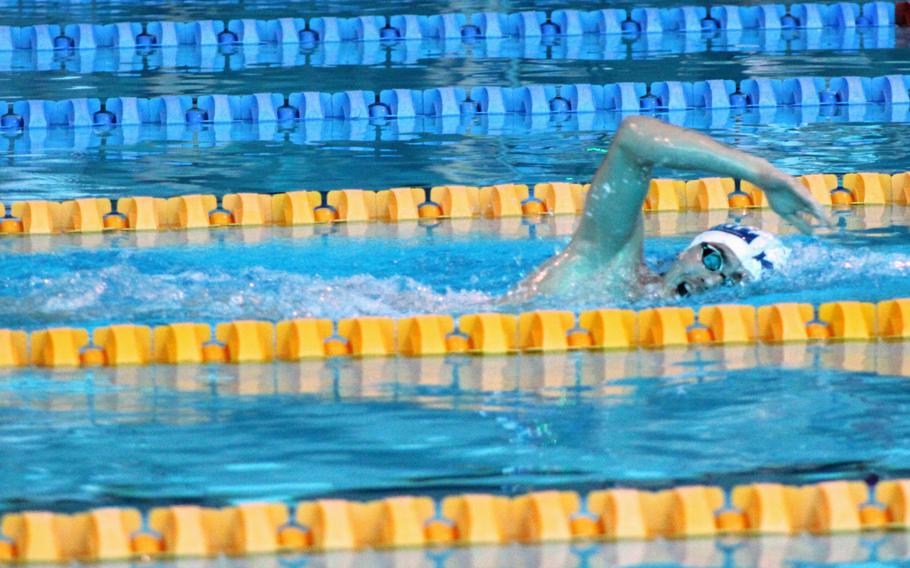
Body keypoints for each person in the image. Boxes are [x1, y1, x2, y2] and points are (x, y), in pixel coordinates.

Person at [504, 115, 828, 303]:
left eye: (732, 281)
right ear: (690, 249)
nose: (712, 282)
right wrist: (761, 173)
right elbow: (633, 138)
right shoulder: (609, 264)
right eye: (715, 259)